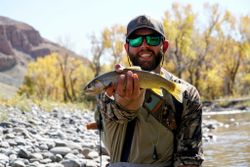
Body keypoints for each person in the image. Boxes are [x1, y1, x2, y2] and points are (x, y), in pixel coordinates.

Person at [95, 15, 204, 167]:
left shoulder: (186, 95)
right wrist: (125, 103)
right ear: (127, 48)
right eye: (135, 40)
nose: (144, 46)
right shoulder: (109, 87)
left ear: (164, 46)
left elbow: (189, 158)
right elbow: (116, 116)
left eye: (152, 39)